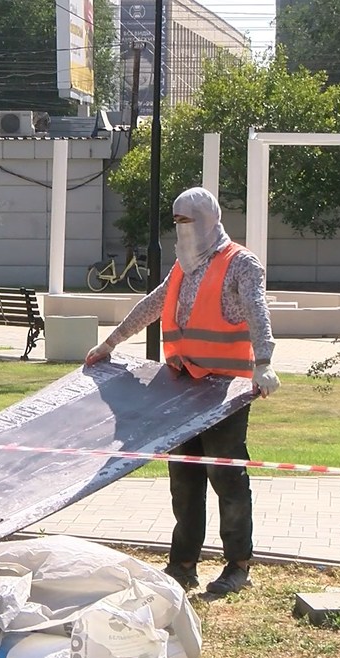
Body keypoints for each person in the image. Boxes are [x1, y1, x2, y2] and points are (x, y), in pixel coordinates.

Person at [85, 187, 280, 595]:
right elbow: (150, 306)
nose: (180, 228)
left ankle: (237, 565)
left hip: (225, 391)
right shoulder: (182, 267)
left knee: (225, 476)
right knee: (184, 476)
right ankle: (183, 564)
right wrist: (111, 343)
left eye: (186, 219)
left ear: (209, 219)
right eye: (175, 220)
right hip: (182, 386)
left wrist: (263, 363)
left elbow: (257, 312)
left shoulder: (241, 264)